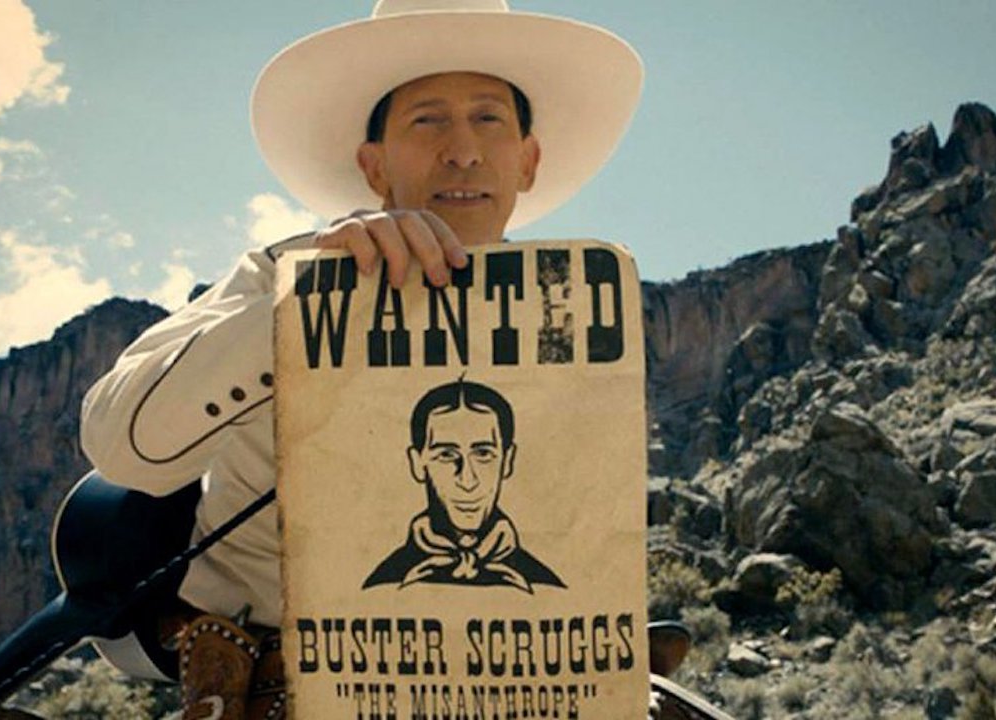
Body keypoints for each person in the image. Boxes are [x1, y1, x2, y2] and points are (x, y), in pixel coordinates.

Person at [79, 0, 642, 716]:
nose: (463, 150)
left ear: (528, 161)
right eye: (428, 120)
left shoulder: (576, 322)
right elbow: (123, 447)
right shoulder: (277, 276)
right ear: (373, 165)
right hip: (275, 686)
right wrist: (309, 299)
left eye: (489, 119)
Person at [363, 377, 565, 591]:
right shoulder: (383, 584)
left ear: (507, 461)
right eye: (446, 455)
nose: (467, 480)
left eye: (483, 454)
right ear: (417, 463)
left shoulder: (544, 584)